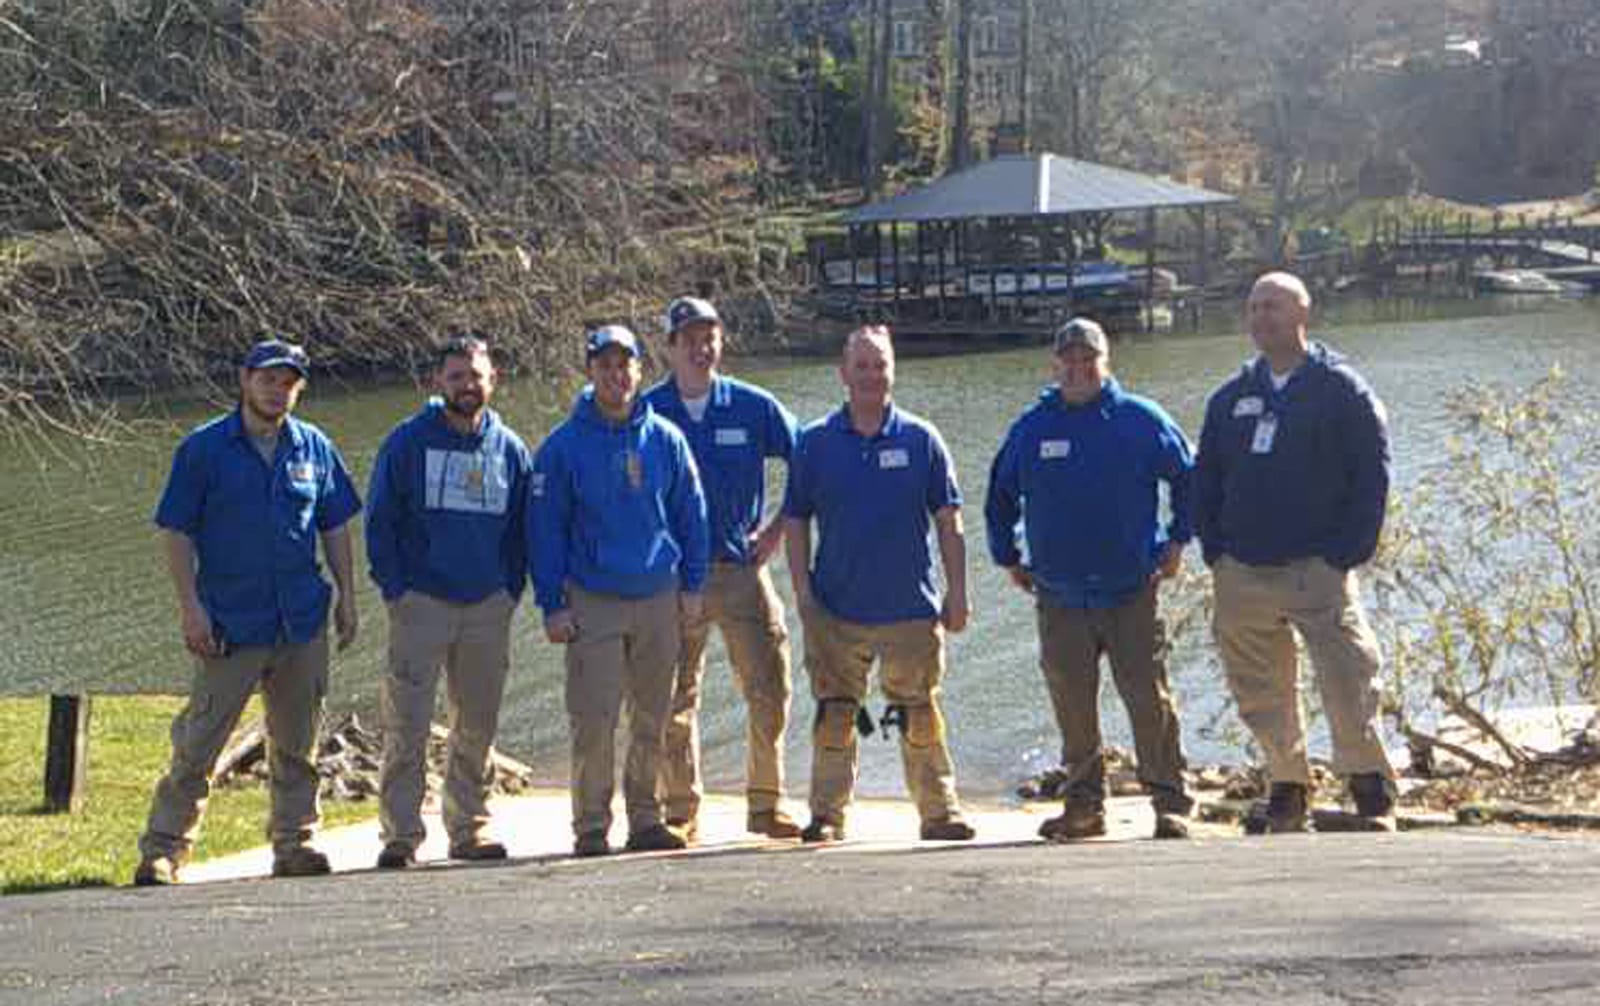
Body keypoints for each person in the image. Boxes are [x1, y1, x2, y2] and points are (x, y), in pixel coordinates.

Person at [134, 339, 361, 885]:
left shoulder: (314, 448)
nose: (277, 390)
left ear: (298, 389)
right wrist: (191, 609)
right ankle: (163, 850)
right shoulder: (204, 449)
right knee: (199, 745)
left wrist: (348, 597)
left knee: (298, 744)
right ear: (245, 380)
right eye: (267, 379)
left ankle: (295, 843)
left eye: (287, 382)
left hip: (301, 620)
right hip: (230, 624)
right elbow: (176, 530)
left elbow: (334, 526)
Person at [1194, 271, 1397, 833]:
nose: (1262, 318)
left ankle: (1367, 783)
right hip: (1243, 571)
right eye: (1255, 308)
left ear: (1303, 314)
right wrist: (1215, 550)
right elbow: (1204, 477)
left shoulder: (1341, 390)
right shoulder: (1231, 397)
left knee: (1349, 677)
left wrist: (1347, 553)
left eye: (1274, 308)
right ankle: (1287, 784)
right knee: (1260, 688)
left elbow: (1372, 476)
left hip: (1317, 568)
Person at [985, 318, 1196, 842]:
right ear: (1055, 365)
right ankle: (1084, 806)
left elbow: (1190, 479)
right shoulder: (1032, 428)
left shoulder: (1140, 420)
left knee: (1148, 698)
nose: (1079, 369)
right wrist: (1007, 555)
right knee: (1073, 705)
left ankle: (1170, 802)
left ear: (1107, 362)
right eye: (1069, 361)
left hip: (1131, 591)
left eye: (1089, 360)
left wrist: (1177, 540)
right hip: (1059, 596)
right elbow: (999, 496)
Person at [783, 325, 975, 843]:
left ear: (893, 371)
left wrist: (958, 593)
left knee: (918, 715)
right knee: (837, 717)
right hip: (836, 612)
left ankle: (940, 813)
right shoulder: (815, 443)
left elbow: (950, 519)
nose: (871, 375)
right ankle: (826, 816)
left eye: (880, 364)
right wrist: (802, 594)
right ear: (843, 373)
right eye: (861, 365)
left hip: (910, 611)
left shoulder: (921, 439)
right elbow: (795, 521)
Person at [528, 324, 710, 857]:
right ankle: (590, 825)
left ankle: (646, 818)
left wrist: (693, 585)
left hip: (658, 594)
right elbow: (544, 533)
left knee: (653, 715)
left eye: (625, 364)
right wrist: (552, 604)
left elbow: (691, 515)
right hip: (593, 600)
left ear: (639, 369)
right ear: (591, 372)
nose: (616, 374)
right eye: (605, 365)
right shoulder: (562, 448)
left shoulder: (666, 438)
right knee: (594, 718)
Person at [366, 334, 533, 869]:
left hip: (487, 605)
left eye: (476, 376)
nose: (467, 385)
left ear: (493, 380)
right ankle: (401, 835)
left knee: (477, 724)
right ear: (439, 382)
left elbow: (523, 530)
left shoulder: (509, 448)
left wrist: (511, 589)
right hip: (422, 603)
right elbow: (380, 521)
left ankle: (469, 828)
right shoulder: (407, 442)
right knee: (407, 723)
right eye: (457, 376)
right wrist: (396, 590)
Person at [643, 297, 803, 842]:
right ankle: (680, 810)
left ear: (720, 343)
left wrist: (779, 529)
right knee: (673, 697)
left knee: (771, 687)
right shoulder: (646, 413)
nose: (699, 346)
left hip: (741, 569)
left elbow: (809, 462)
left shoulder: (753, 406)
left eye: (708, 335)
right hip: (672, 579)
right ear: (669, 347)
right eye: (688, 337)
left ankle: (766, 804)